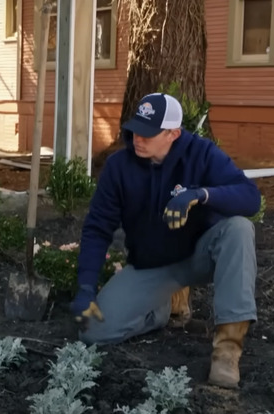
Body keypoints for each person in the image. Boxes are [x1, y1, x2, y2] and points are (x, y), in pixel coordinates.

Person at [71, 92, 262, 389]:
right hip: (153, 266)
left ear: (173, 133)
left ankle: (227, 350)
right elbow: (97, 228)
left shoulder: (202, 153)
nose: (138, 139)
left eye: (149, 133)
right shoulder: (118, 167)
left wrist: (200, 194)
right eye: (136, 129)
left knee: (238, 228)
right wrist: (85, 286)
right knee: (92, 332)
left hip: (200, 256)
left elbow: (250, 197)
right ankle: (161, 308)